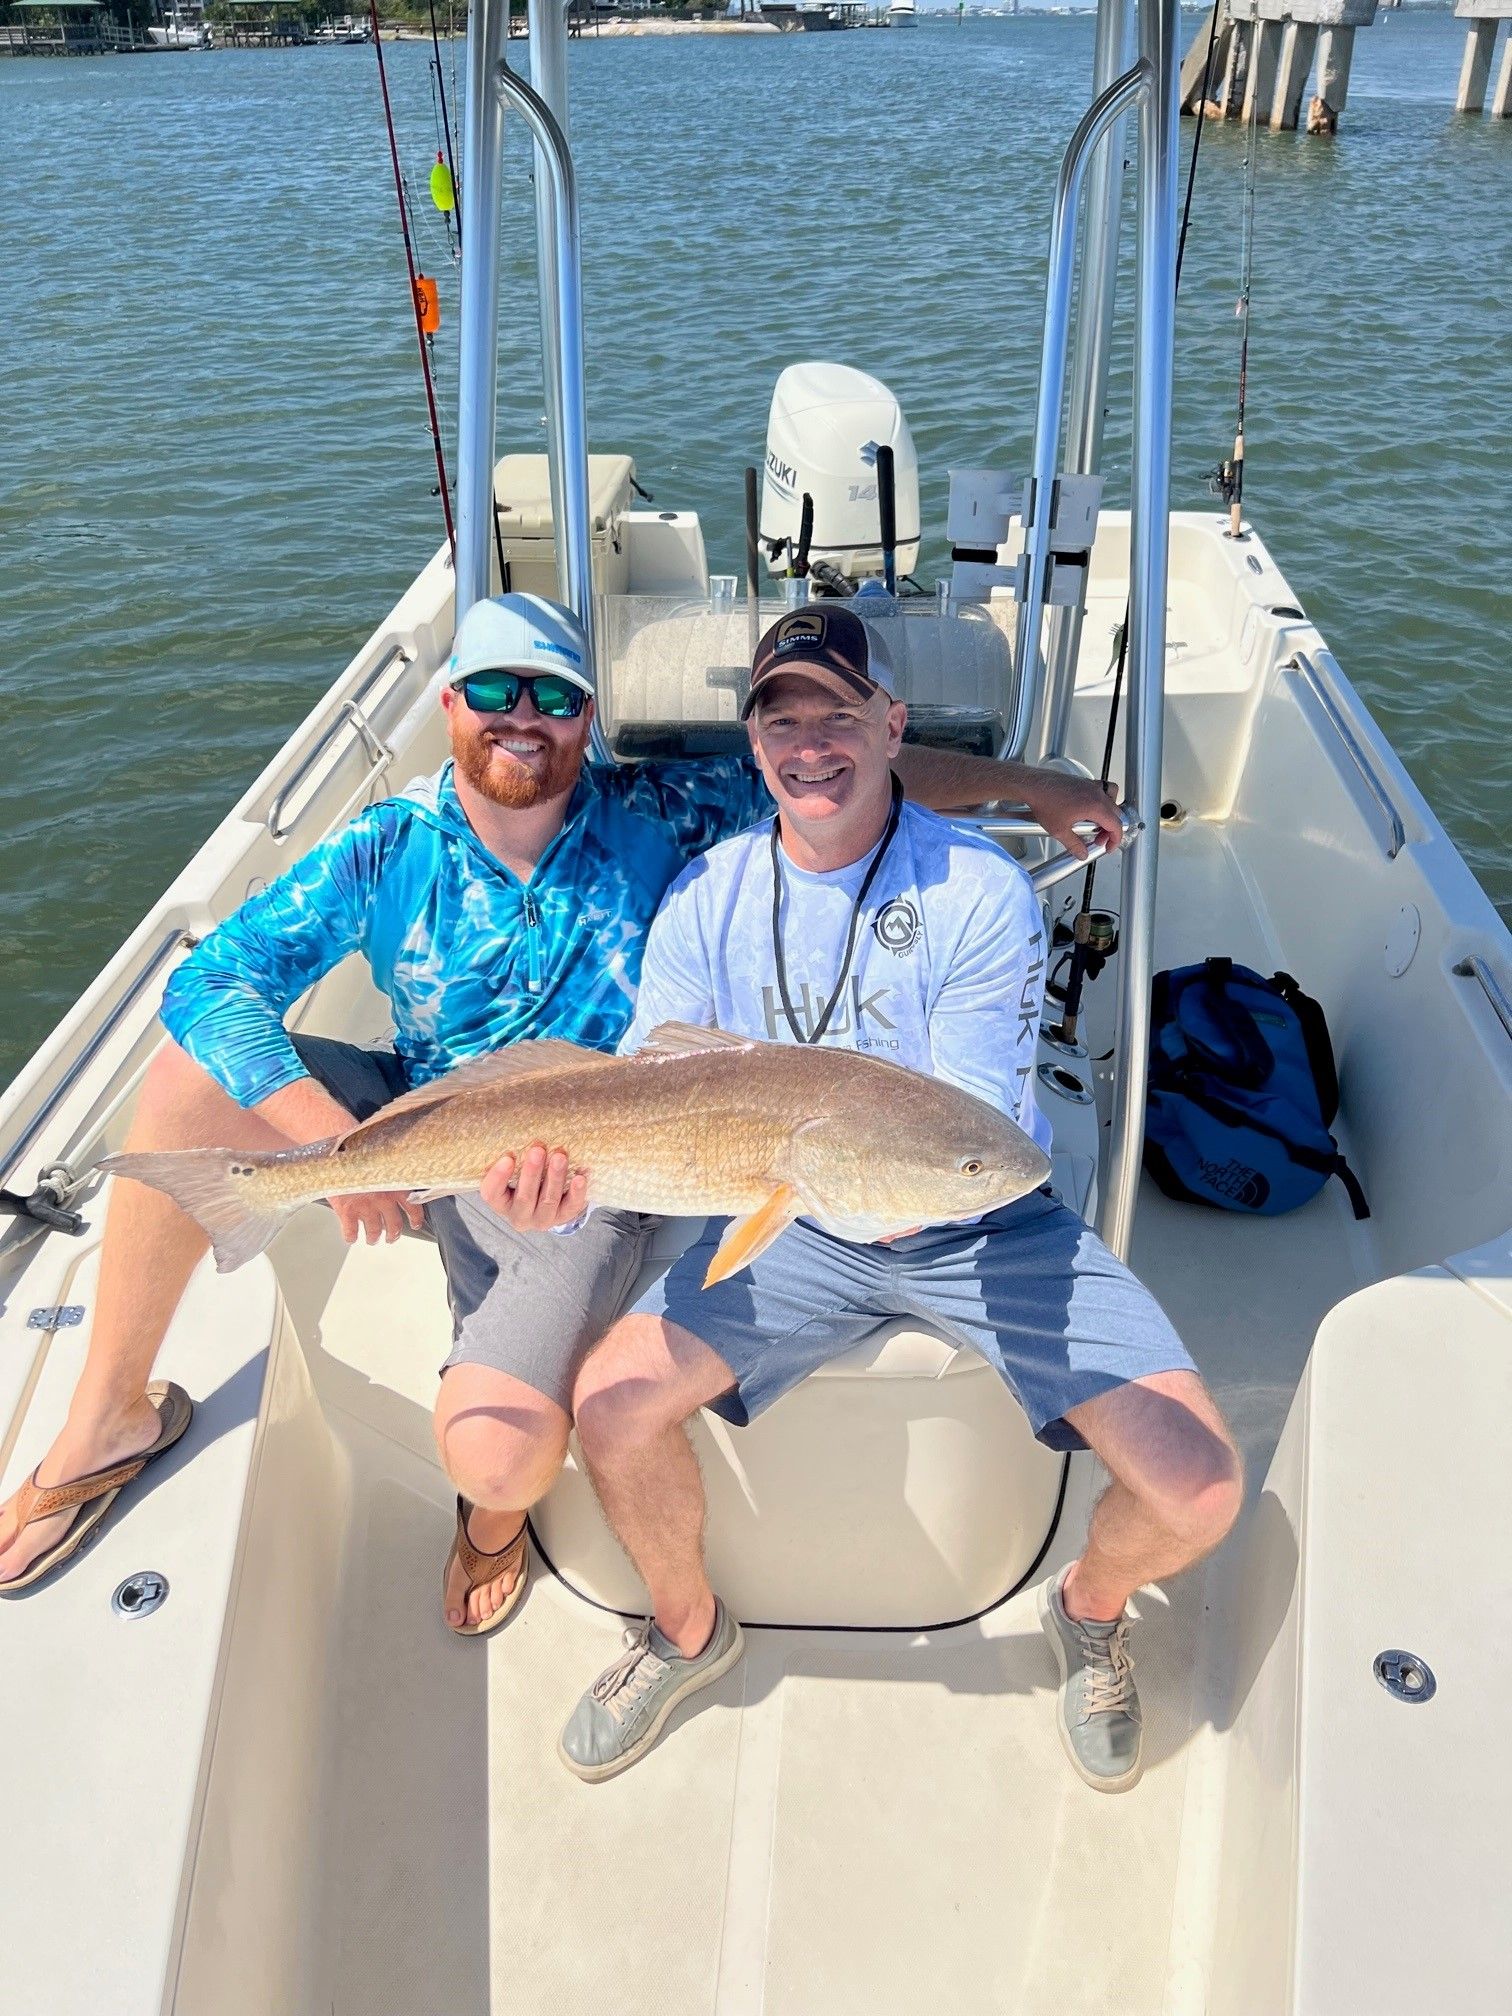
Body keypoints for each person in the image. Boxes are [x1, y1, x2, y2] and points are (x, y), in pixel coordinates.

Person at [0, 593, 1122, 1637]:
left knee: (495, 1463)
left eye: (554, 696)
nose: (522, 719)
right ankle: (109, 1419)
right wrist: (332, 1148)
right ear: (449, 703)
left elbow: (849, 768)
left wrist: (1034, 787)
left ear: (590, 721)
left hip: (595, 1157)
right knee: (185, 1075)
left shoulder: (662, 807)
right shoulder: (389, 846)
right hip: (429, 1105)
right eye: (494, 691)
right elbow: (207, 984)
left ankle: (491, 1523)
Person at [559, 604, 1243, 1792]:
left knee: (1201, 1487)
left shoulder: (977, 890)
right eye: (783, 718)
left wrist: (805, 1170)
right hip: (791, 1211)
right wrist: (566, 1186)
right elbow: (651, 1088)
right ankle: (681, 1629)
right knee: (611, 1407)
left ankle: (1087, 1609)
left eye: (838, 714)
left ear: (892, 726)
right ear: (753, 742)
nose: (811, 744)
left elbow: (965, 1134)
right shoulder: (704, 899)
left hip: (974, 1203)